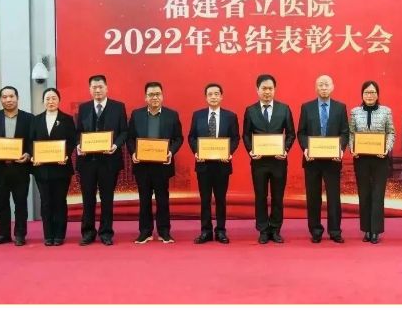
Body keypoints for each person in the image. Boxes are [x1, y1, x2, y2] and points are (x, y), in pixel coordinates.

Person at [126, 81, 184, 244]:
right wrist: (134, 152)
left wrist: (170, 152)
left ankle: (164, 232)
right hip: (142, 165)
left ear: (162, 96)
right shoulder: (136, 115)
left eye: (158, 94)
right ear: (145, 97)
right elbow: (130, 138)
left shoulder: (172, 115)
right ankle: (145, 232)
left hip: (162, 165)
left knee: (162, 200)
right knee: (144, 200)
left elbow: (178, 138)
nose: (155, 97)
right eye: (151, 95)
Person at [242, 74, 296, 244]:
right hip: (259, 162)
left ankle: (275, 229)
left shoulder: (284, 109)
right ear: (257, 90)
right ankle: (263, 230)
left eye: (270, 88)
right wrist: (251, 151)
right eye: (264, 88)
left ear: (274, 90)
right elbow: (246, 135)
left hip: (279, 161)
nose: (267, 92)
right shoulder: (250, 110)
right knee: (260, 196)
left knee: (278, 197)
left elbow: (291, 133)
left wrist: (285, 150)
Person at [76, 75, 128, 246]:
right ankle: (88, 232)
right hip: (87, 162)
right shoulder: (83, 108)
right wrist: (78, 145)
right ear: (90, 89)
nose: (97, 90)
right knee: (88, 198)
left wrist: (115, 145)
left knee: (107, 198)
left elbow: (124, 131)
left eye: (100, 87)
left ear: (106, 88)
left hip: (109, 162)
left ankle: (106, 232)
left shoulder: (118, 107)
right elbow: (78, 132)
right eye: (94, 87)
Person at [297, 75, 349, 243]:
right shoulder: (307, 107)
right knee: (313, 197)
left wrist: (340, 149)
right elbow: (301, 132)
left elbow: (345, 132)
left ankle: (335, 231)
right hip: (312, 160)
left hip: (332, 160)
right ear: (315, 88)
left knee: (333, 197)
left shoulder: (340, 107)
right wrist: (306, 148)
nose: (324, 87)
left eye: (327, 84)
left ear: (333, 87)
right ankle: (316, 230)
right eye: (321, 85)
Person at [188, 83, 241, 244]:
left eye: (216, 94)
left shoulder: (230, 116)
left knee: (220, 199)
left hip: (222, 165)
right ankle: (205, 231)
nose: (213, 97)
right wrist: (197, 151)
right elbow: (191, 137)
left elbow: (235, 138)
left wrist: (229, 152)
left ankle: (221, 231)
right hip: (203, 164)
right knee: (205, 199)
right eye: (210, 94)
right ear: (206, 97)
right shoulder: (198, 115)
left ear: (221, 97)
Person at [0, 86, 34, 246]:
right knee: (1, 203)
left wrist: (28, 154)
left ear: (17, 98)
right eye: (4, 97)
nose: (8, 100)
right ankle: (3, 234)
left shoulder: (29, 118)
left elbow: (33, 141)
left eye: (11, 96)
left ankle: (20, 234)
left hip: (20, 168)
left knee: (21, 203)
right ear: (1, 100)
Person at [349, 80, 395, 244]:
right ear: (362, 95)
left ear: (377, 94)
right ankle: (366, 229)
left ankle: (375, 230)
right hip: (361, 159)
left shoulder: (386, 111)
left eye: (373, 92)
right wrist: (352, 148)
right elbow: (351, 133)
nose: (370, 95)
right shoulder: (354, 112)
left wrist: (387, 148)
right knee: (364, 194)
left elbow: (391, 133)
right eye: (367, 92)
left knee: (377, 194)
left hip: (380, 159)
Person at [29, 88, 77, 246]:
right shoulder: (35, 120)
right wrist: (33, 156)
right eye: (47, 99)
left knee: (60, 202)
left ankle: (60, 235)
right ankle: (48, 235)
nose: (51, 101)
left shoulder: (67, 119)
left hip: (61, 168)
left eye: (54, 98)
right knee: (46, 202)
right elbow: (30, 141)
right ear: (43, 101)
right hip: (41, 169)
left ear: (59, 100)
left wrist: (66, 154)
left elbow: (72, 140)